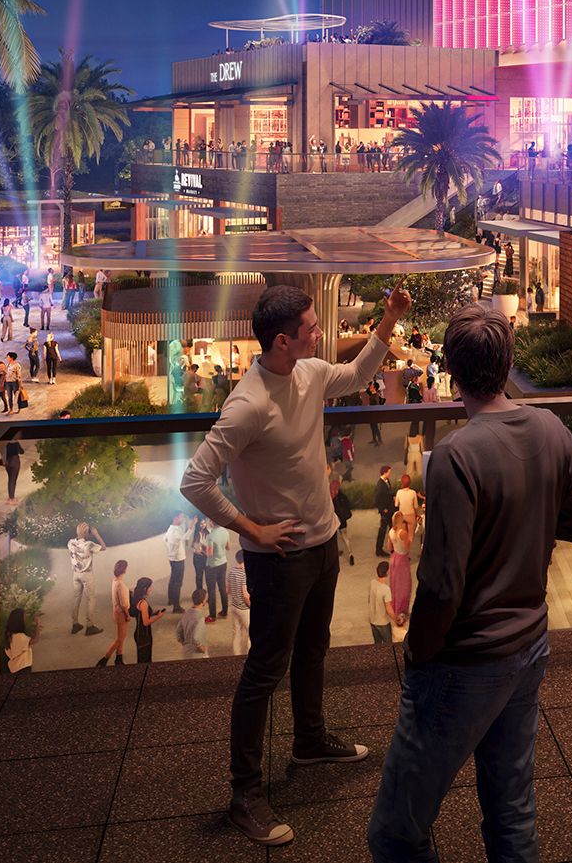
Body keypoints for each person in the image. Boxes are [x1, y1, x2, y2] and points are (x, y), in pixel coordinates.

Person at [180, 283, 413, 845]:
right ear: (283, 341)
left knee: (313, 649)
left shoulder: (307, 374)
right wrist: (251, 527)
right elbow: (195, 480)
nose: (319, 333)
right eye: (311, 328)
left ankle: (309, 741)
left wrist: (390, 320)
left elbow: (358, 376)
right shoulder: (248, 403)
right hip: (277, 558)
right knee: (264, 670)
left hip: (322, 543)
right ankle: (244, 793)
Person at [366, 302, 572, 863]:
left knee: (396, 832)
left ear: (453, 371)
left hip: (466, 659)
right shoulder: (550, 427)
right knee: (511, 807)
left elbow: (443, 581)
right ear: (508, 361)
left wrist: (419, 652)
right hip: (529, 643)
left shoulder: (455, 456)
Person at [68, 521, 106, 635]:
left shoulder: (70, 542)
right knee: (91, 599)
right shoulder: (89, 544)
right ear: (87, 533)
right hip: (87, 575)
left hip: (75, 574)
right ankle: (90, 626)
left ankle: (75, 624)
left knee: (76, 598)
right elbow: (104, 547)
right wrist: (96, 534)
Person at [97, 558, 131, 666]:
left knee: (121, 636)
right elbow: (123, 603)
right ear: (124, 570)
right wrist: (128, 615)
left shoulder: (115, 581)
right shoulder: (120, 584)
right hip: (121, 613)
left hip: (116, 612)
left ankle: (119, 658)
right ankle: (104, 659)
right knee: (120, 638)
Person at [387, 511, 414, 621]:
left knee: (394, 585)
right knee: (404, 585)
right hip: (402, 559)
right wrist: (410, 536)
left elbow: (389, 548)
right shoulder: (402, 532)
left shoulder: (391, 532)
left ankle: (395, 607)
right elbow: (407, 548)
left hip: (394, 558)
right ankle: (402, 610)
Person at [131, 576, 163, 664]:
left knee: (142, 658)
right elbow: (146, 622)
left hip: (139, 633)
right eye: (150, 587)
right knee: (145, 660)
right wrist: (158, 616)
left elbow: (142, 616)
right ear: (145, 588)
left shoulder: (137, 599)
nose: (151, 589)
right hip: (144, 634)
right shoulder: (143, 603)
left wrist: (152, 614)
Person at [164, 513, 190, 612]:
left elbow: (164, 539)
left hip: (173, 558)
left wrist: (170, 550)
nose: (183, 518)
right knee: (178, 583)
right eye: (181, 517)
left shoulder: (172, 528)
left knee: (173, 579)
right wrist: (191, 527)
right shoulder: (174, 531)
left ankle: (171, 599)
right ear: (175, 517)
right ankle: (176, 606)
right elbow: (184, 538)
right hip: (178, 559)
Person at [368, 562, 396, 645]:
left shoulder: (372, 582)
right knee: (388, 645)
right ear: (387, 572)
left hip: (373, 620)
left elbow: (369, 599)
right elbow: (388, 608)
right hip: (383, 622)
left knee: (377, 644)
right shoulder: (386, 589)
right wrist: (395, 619)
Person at [374, 464, 397, 556]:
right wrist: (383, 509)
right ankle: (382, 549)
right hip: (386, 511)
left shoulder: (386, 481)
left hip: (389, 509)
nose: (390, 474)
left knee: (388, 529)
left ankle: (386, 549)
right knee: (386, 530)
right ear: (385, 472)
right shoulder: (380, 485)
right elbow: (377, 499)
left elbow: (388, 493)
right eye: (389, 472)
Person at [4, 607, 33, 674]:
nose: (25, 619)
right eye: (24, 616)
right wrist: (37, 624)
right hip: (23, 667)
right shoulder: (19, 636)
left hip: (15, 668)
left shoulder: (11, 635)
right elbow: (34, 640)